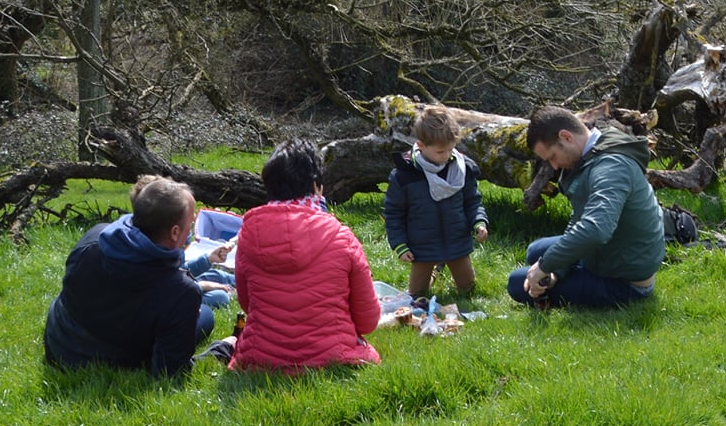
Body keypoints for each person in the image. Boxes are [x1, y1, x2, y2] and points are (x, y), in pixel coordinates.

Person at [229, 138, 382, 370]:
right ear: (315, 186)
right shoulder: (342, 237)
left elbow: (248, 304)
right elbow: (368, 320)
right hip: (335, 356)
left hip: (262, 358)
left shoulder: (248, 237)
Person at [43, 176, 207, 378]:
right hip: (113, 358)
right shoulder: (181, 290)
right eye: (190, 223)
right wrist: (219, 350)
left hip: (60, 343)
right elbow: (170, 371)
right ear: (174, 232)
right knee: (205, 315)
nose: (191, 229)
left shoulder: (95, 238)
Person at [508, 106, 663, 309]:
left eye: (552, 156)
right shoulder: (594, 151)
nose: (553, 167)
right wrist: (556, 272)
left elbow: (596, 230)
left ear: (566, 137)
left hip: (626, 279)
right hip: (612, 250)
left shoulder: (610, 166)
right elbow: (580, 220)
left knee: (517, 283)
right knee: (535, 251)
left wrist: (546, 266)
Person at [384, 106, 489, 301]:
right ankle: (433, 272)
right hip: (422, 246)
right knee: (416, 295)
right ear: (421, 146)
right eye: (441, 151)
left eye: (451, 149)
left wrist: (479, 222)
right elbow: (394, 214)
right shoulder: (404, 175)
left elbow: (472, 201)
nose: (447, 156)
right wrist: (400, 245)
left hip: (456, 241)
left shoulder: (461, 169)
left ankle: (441, 271)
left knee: (468, 289)